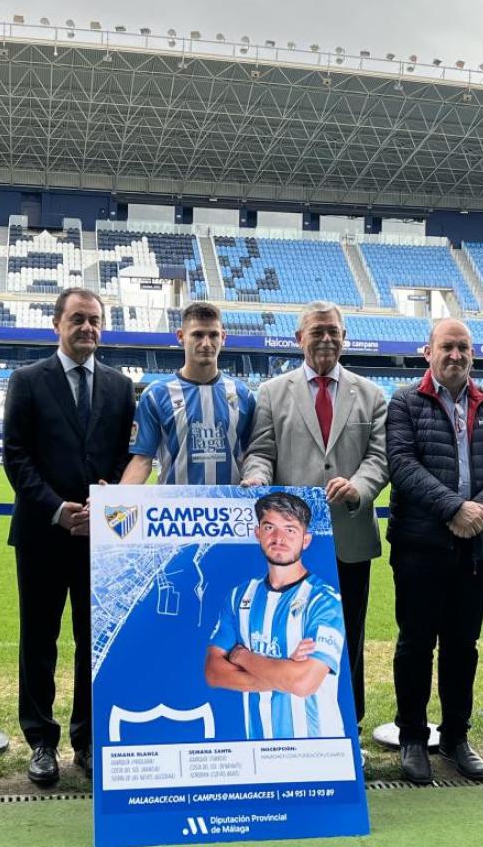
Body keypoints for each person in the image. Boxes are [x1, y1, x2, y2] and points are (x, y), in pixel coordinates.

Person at [3, 287, 136, 787]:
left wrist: (108, 500)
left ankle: (88, 739)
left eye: (95, 320)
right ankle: (40, 740)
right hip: (43, 533)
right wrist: (59, 510)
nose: (87, 328)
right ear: (57, 323)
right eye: (78, 319)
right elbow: (16, 457)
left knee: (92, 642)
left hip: (100, 537)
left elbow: (128, 457)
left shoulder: (122, 386)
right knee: (39, 640)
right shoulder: (27, 380)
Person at [385, 318, 483, 785]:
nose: (456, 355)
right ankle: (411, 737)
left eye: (463, 347)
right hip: (421, 545)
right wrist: (453, 508)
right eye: (448, 346)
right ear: (429, 352)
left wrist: (480, 510)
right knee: (415, 645)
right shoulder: (406, 400)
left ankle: (456, 736)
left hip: (478, 547)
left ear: (472, 354)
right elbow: (401, 464)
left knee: (463, 646)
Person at [240, 301, 388, 725]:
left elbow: (378, 458)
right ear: (298, 338)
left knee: (347, 639)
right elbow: (261, 452)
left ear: (345, 337)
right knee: (288, 639)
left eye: (333, 332)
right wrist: (256, 479)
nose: (326, 339)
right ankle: (293, 730)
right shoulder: (272, 392)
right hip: (291, 544)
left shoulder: (372, 394)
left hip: (350, 537)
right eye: (317, 331)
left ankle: (348, 727)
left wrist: (357, 487)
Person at [205, 492, 347, 739]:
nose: (278, 538)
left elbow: (303, 683)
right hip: (257, 753)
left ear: (306, 540)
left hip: (317, 752)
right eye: (270, 527)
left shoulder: (324, 601)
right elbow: (214, 672)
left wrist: (242, 656)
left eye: (290, 530)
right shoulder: (239, 596)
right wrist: (284, 673)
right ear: (257, 533)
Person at [123, 301, 255, 486]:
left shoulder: (243, 394)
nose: (206, 343)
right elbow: (142, 460)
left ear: (223, 337)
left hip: (230, 509)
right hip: (176, 511)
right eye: (198, 335)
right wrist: (113, 498)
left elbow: (254, 454)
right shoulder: (156, 395)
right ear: (181, 336)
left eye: (213, 335)